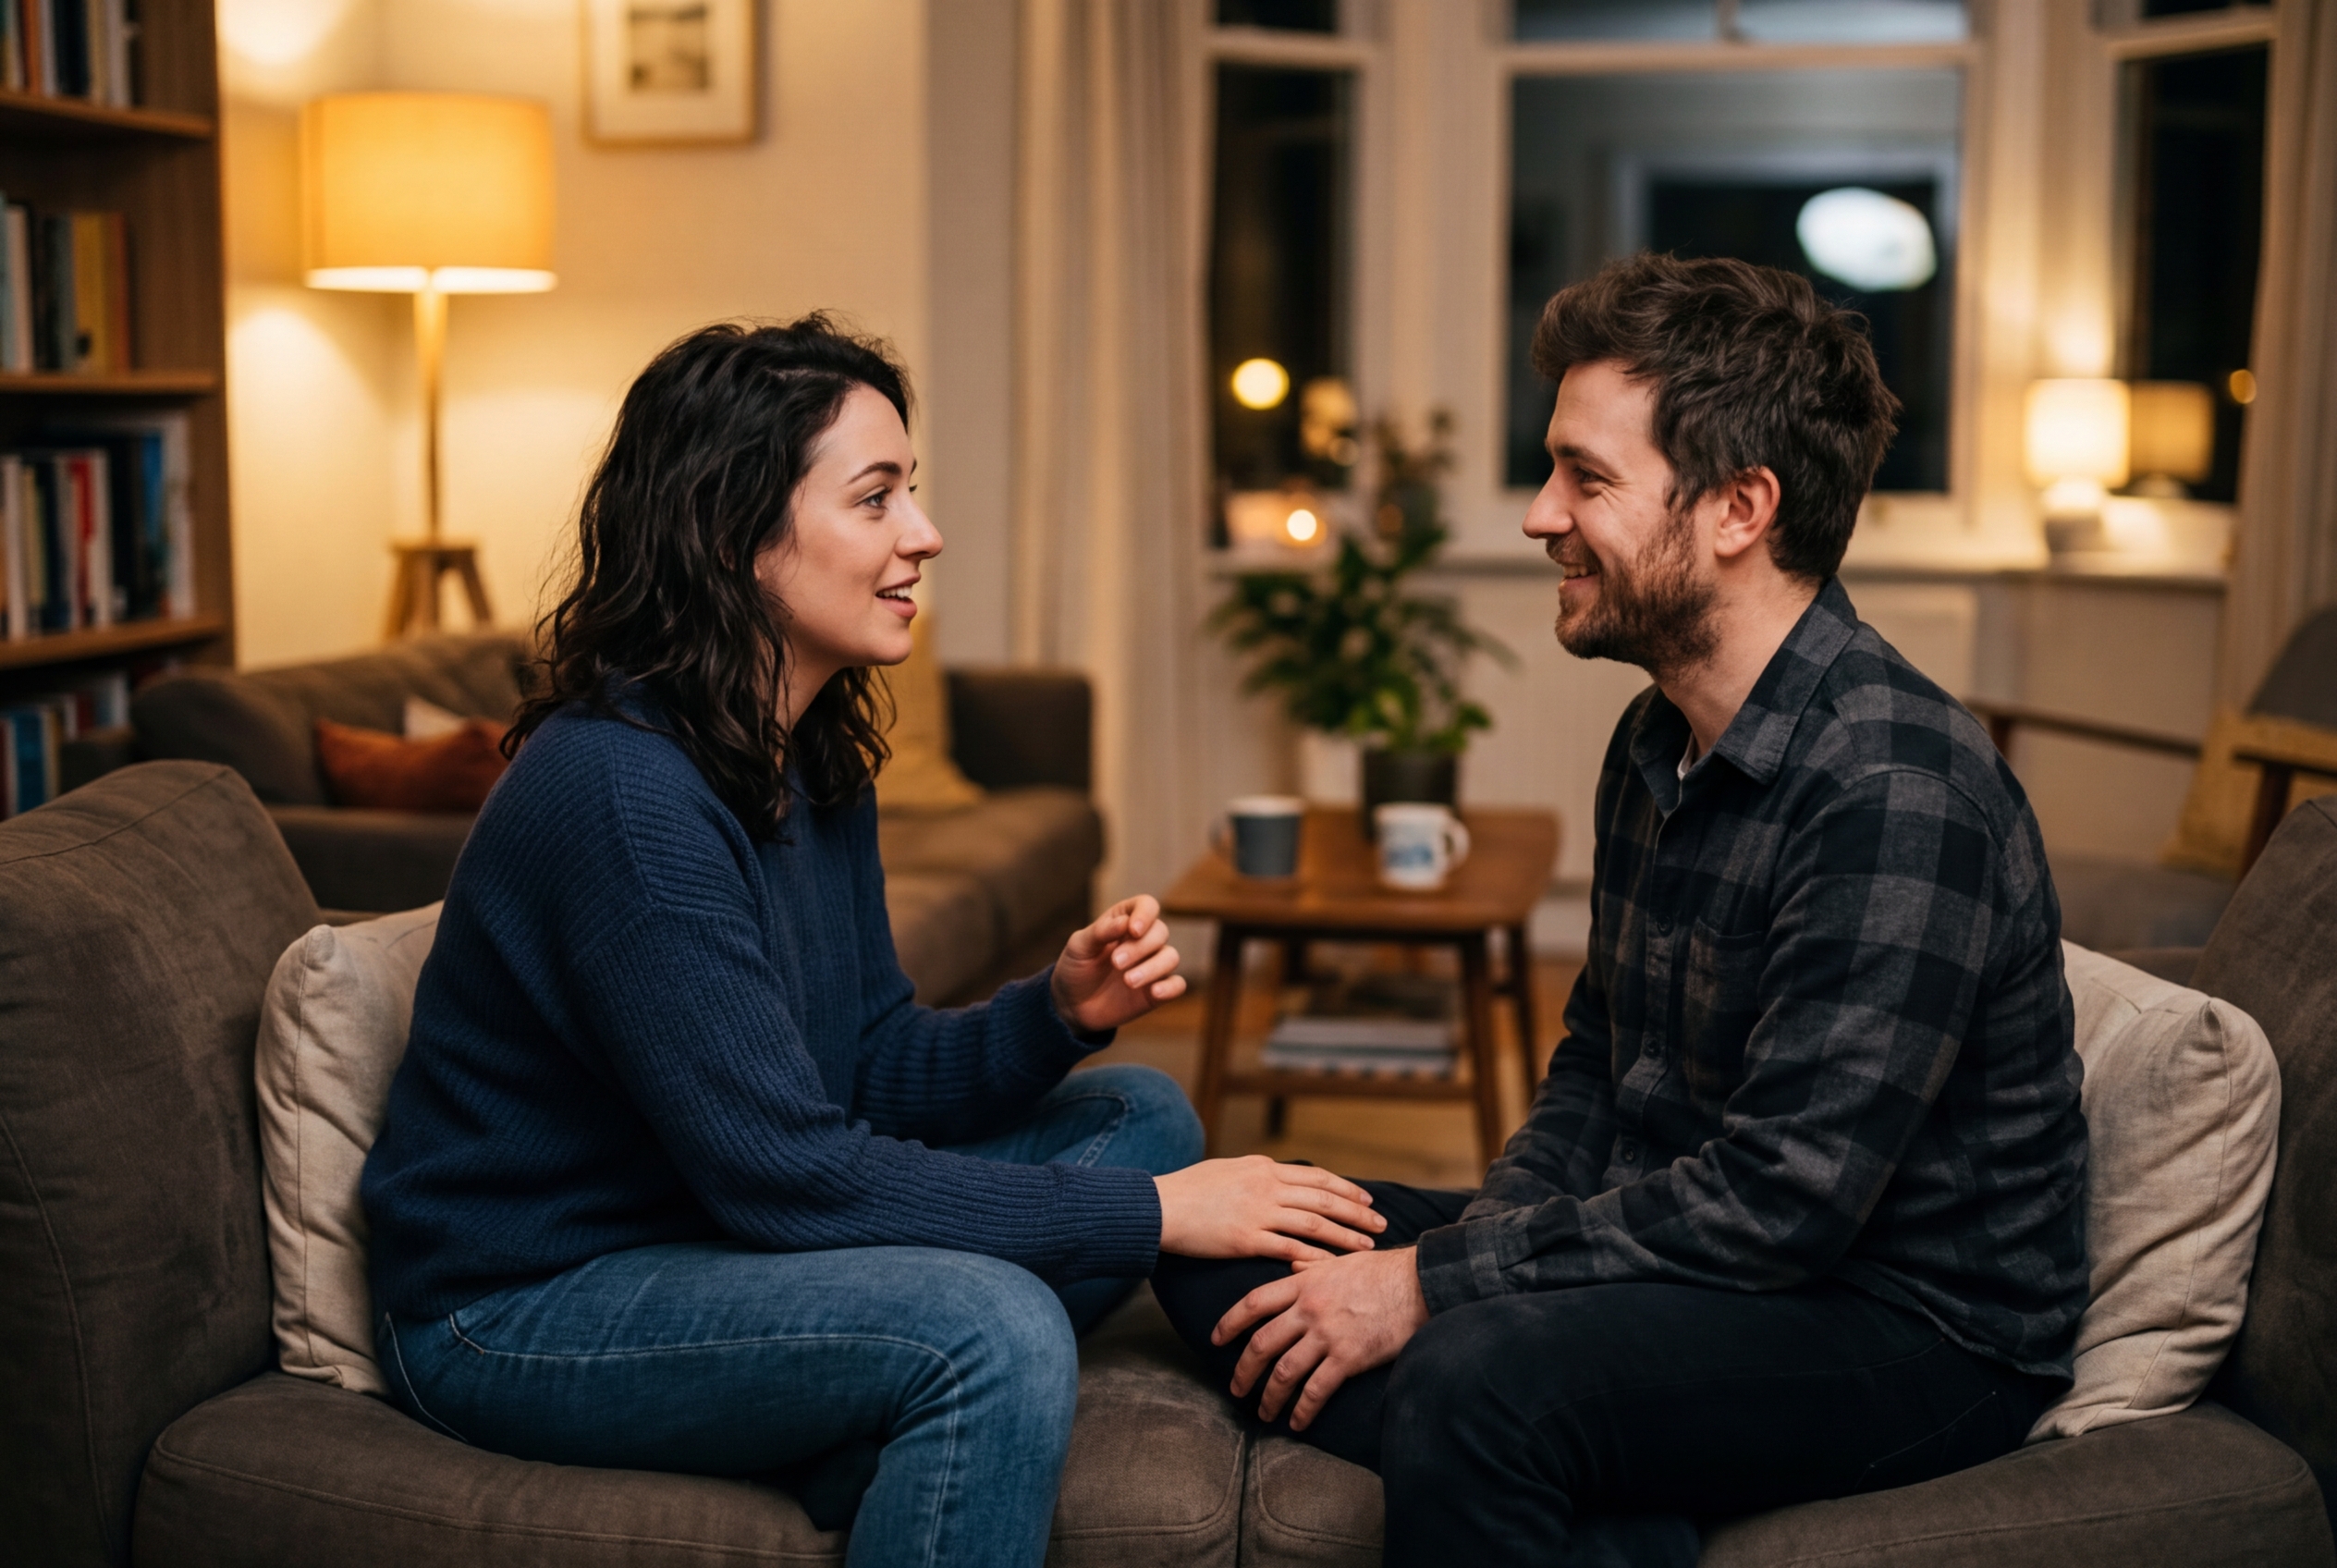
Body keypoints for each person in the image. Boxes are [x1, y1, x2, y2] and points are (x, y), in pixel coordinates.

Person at [361, 316, 1389, 1568]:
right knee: (994, 1325)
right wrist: (1154, 1217)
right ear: (732, 534)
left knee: (1139, 1115)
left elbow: (866, 1062)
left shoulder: (802, 754)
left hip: (704, 1223)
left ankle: (858, 1421)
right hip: (524, 1299)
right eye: (876, 498)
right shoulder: (625, 796)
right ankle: (926, 1398)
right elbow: (789, 1175)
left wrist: (1055, 1015)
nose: (925, 534)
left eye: (913, 491)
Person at [1154, 254, 2089, 1566]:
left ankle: (1526, 1442)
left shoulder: (1895, 787)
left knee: (1477, 1379)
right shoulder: (1657, 739)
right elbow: (1600, 1060)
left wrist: (1431, 1286)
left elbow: (1784, 1202)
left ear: (1739, 508)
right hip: (1691, 1236)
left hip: (1905, 1318)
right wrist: (1477, 1245)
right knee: (1225, 1242)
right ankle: (1604, 1501)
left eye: (1585, 479)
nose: (1541, 516)